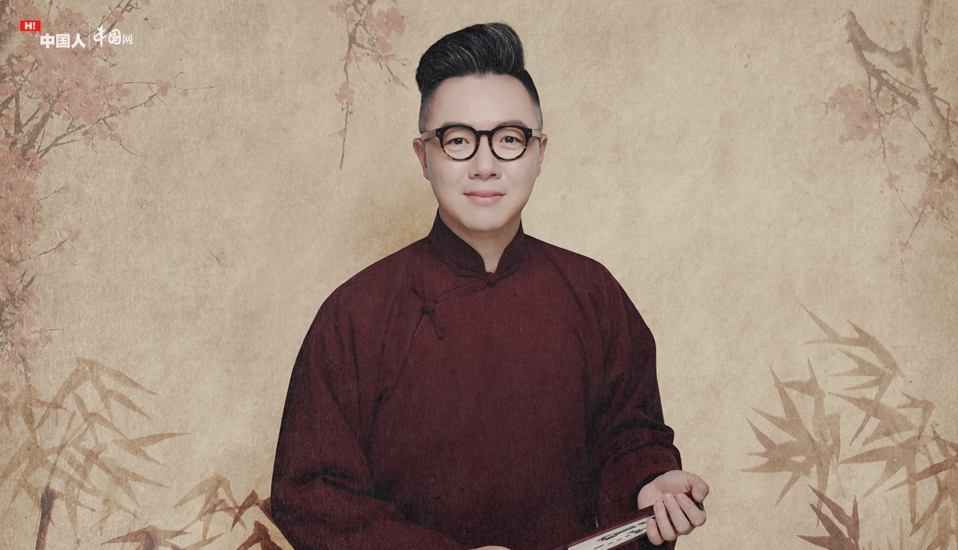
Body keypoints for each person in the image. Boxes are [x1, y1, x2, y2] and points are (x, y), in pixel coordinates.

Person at [271, 23, 708, 550]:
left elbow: (629, 436)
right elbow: (312, 495)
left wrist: (648, 482)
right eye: (458, 140)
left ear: (540, 152)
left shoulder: (594, 293)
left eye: (509, 140)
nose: (484, 166)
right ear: (423, 156)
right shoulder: (356, 314)